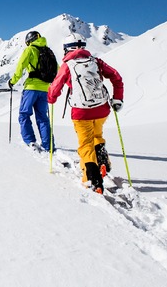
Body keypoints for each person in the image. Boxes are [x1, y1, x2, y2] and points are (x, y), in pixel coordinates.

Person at [47, 33, 123, 194]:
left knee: (85, 144)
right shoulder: (96, 62)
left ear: (67, 49)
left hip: (81, 112)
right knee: (97, 135)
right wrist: (117, 99)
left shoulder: (68, 65)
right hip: (102, 109)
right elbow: (116, 77)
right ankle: (102, 160)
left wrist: (51, 98)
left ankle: (92, 179)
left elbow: (56, 86)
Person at [8, 30, 55, 153]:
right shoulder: (48, 52)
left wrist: (12, 81)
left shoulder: (30, 50)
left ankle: (30, 141)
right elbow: (58, 70)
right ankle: (48, 145)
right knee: (42, 117)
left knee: (24, 114)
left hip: (31, 88)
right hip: (45, 89)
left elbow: (20, 66)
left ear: (30, 40)